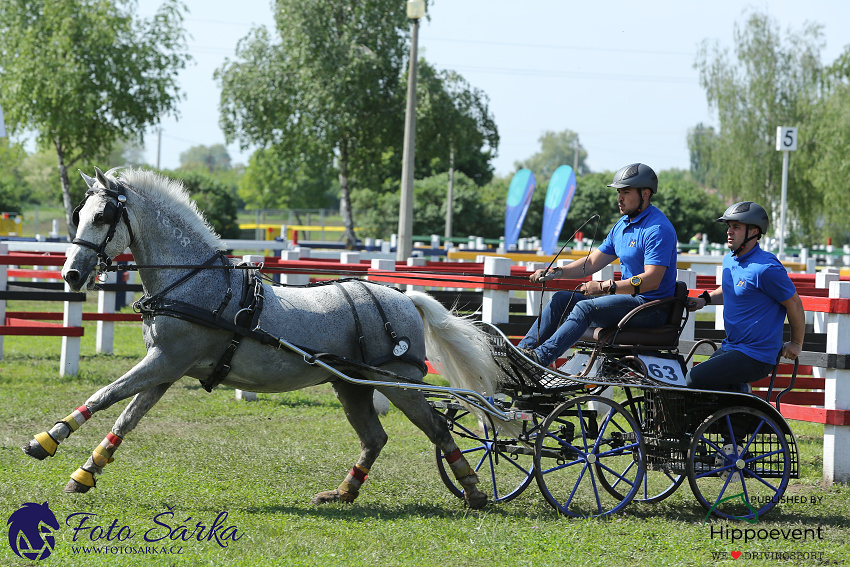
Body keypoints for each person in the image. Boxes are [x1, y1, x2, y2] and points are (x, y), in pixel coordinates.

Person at [517, 163, 678, 367]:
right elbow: (592, 261)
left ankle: (540, 358)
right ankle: (523, 353)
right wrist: (555, 272)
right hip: (629, 304)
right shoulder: (622, 226)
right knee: (560, 300)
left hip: (651, 309)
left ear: (645, 194)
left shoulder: (658, 229)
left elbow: (652, 280)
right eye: (619, 192)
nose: (619, 198)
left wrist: (605, 287)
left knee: (585, 308)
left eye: (625, 192)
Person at [685, 201, 805, 392]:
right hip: (732, 347)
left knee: (693, 379)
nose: (729, 232)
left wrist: (796, 343)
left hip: (756, 355)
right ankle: (732, 411)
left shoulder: (766, 268)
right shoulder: (730, 260)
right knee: (688, 382)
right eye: (729, 227)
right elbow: (730, 290)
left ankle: (740, 398)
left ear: (754, 232)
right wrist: (704, 300)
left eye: (736, 227)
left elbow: (795, 304)